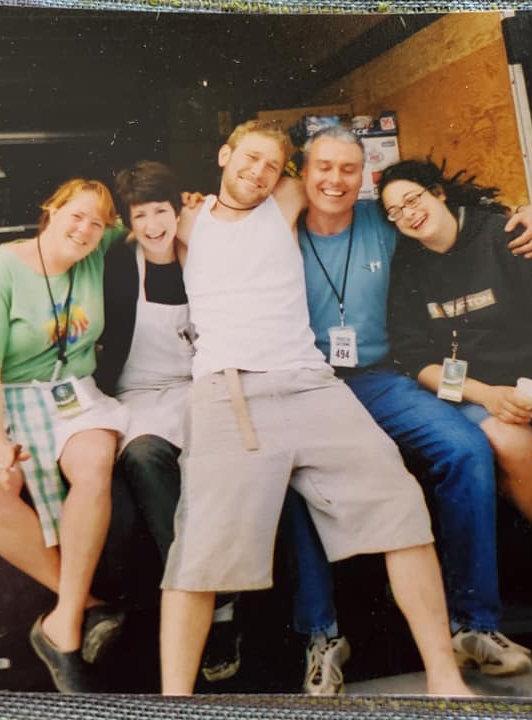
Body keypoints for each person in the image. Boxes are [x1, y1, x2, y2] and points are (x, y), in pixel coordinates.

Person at [158, 119, 470, 696]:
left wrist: (521, 219)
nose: (258, 173)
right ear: (224, 154)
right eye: (248, 159)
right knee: (198, 551)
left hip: (311, 384)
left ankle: (446, 680)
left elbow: (339, 175)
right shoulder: (185, 220)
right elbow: (117, 235)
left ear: (286, 175)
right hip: (229, 394)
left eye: (272, 166)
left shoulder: (285, 201)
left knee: (401, 509)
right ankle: (172, 704)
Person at [284, 126, 532, 694]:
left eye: (349, 169)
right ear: (301, 172)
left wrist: (527, 215)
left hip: (382, 377)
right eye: (323, 167)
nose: (335, 180)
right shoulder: (276, 229)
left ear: (364, 176)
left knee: (465, 448)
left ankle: (474, 625)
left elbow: (467, 216)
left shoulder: (385, 217)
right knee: (297, 476)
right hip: (308, 384)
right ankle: (323, 636)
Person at [379, 158, 532, 685]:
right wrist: (485, 394)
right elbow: (416, 361)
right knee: (508, 445)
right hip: (481, 390)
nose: (409, 214)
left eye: (414, 199)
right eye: (396, 212)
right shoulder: (409, 266)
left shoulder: (505, 233)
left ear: (438, 192)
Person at [0, 178, 130, 693]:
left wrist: (192, 208)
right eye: (76, 216)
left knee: (93, 462)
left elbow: (142, 224)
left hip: (69, 396)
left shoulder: (96, 246)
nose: (86, 229)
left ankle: (61, 624)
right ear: (51, 210)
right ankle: (87, 607)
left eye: (97, 222)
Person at [95, 160, 241, 684]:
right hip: (139, 394)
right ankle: (212, 603)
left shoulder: (204, 252)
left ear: (180, 208)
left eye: (163, 210)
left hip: (203, 386)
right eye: (141, 215)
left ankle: (220, 608)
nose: (154, 225)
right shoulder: (115, 261)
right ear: (128, 223)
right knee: (144, 457)